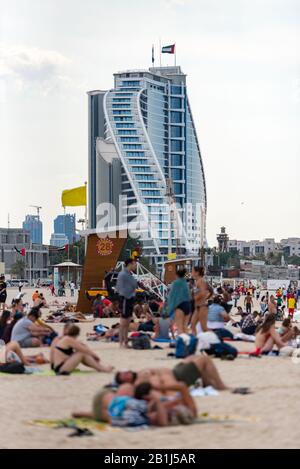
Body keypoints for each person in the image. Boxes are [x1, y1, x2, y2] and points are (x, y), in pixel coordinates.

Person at [115, 354, 228, 391]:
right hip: (178, 377)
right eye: (123, 375)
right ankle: (221, 386)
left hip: (175, 370)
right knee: (204, 359)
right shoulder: (138, 381)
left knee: (192, 357)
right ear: (126, 382)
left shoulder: (138, 375)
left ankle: (208, 383)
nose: (126, 372)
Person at [116, 259, 137, 348]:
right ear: (130, 264)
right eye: (134, 264)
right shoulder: (123, 274)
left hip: (129, 298)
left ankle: (125, 341)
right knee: (123, 322)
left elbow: (134, 285)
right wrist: (126, 295)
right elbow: (119, 287)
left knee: (128, 321)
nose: (135, 266)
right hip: (125, 298)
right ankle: (121, 342)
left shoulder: (129, 274)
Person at [167, 269, 191, 335]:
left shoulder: (175, 283)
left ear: (177, 275)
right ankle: (187, 342)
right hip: (188, 305)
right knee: (185, 327)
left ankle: (181, 343)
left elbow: (172, 296)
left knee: (180, 327)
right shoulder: (186, 284)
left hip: (180, 306)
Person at [191, 266, 213, 334]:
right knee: (193, 324)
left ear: (197, 273)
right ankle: (195, 341)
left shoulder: (201, 281)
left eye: (192, 271)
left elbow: (203, 292)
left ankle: (216, 339)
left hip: (202, 307)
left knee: (204, 328)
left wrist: (195, 297)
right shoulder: (197, 281)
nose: (191, 273)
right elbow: (211, 291)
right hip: (198, 307)